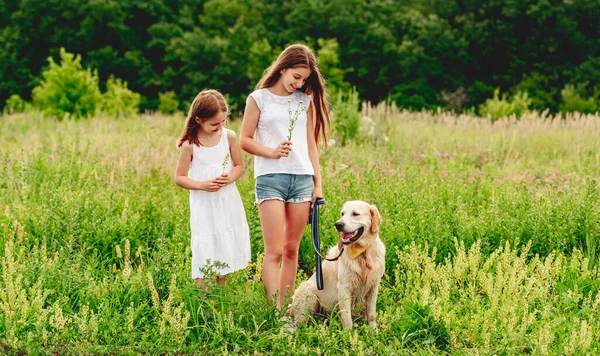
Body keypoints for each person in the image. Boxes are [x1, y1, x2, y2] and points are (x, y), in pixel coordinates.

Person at [240, 43, 330, 309]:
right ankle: (274, 312)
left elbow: (311, 145)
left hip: (302, 179)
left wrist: (318, 185)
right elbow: (244, 140)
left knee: (292, 250)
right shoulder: (258, 98)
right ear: (282, 69)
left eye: (304, 79)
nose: (299, 83)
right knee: (274, 251)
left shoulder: (305, 101)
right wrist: (271, 151)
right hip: (270, 179)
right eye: (296, 77)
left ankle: (288, 309)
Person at [174, 89, 251, 290]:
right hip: (204, 206)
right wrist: (202, 185)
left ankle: (219, 302)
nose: (220, 127)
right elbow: (179, 177)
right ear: (198, 119)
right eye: (214, 124)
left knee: (223, 251)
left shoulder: (230, 137)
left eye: (223, 121)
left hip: (226, 202)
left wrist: (229, 179)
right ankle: (202, 304)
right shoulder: (190, 145)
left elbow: (239, 166)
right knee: (206, 252)